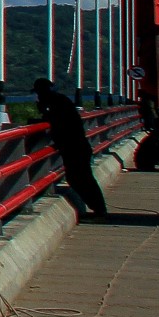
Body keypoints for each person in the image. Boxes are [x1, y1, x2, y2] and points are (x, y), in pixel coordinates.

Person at [34, 77, 108, 221]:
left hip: (74, 146)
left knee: (81, 178)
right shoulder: (60, 100)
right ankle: (99, 210)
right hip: (76, 146)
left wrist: (43, 109)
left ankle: (100, 211)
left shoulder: (56, 102)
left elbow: (54, 120)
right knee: (79, 178)